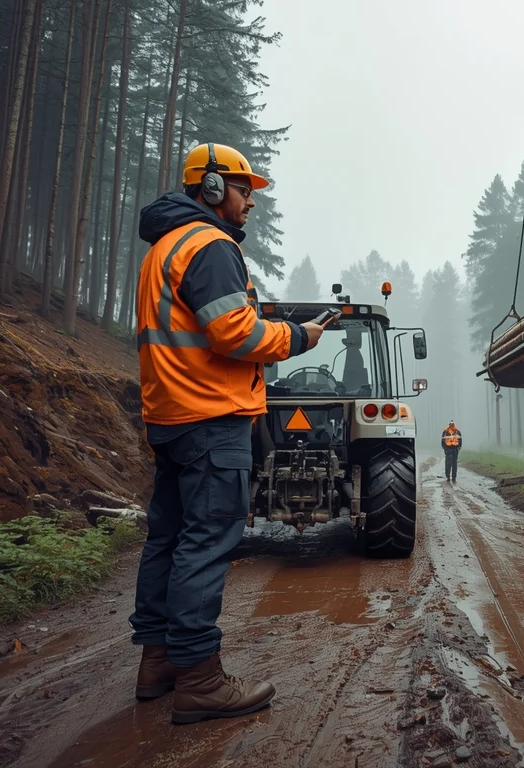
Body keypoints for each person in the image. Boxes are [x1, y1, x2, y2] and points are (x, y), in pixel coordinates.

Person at [130, 142, 327, 725]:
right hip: (211, 415)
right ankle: (200, 679)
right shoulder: (210, 245)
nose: (250, 203)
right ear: (211, 188)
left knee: (167, 538)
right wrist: (298, 338)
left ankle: (159, 661)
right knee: (206, 541)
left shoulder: (162, 249)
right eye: (244, 189)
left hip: (170, 417)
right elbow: (235, 335)